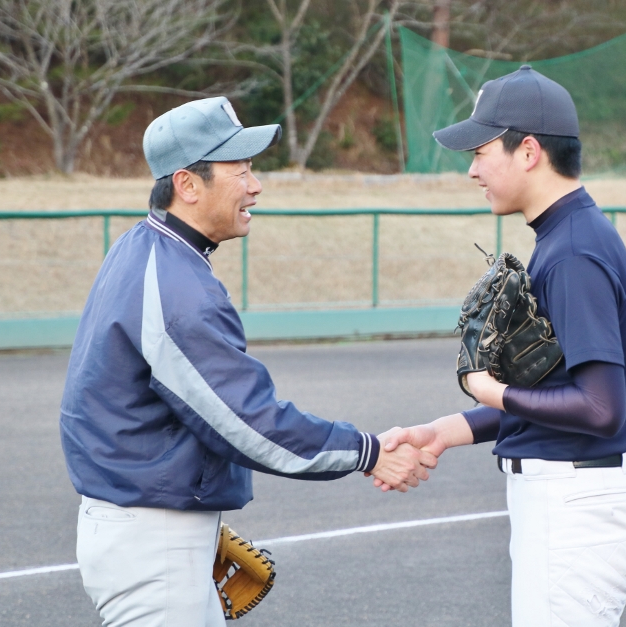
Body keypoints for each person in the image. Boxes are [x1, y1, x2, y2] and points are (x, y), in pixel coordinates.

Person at [59, 96, 435, 627]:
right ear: (187, 185)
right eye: (240, 171)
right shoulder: (176, 286)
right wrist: (368, 452)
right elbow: (246, 422)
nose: (255, 185)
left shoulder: (142, 248)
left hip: (147, 525)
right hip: (152, 541)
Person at [382, 66, 626, 626]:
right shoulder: (567, 235)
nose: (472, 170)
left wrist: (489, 389)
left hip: (575, 511)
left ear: (529, 151)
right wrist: (447, 431)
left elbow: (600, 409)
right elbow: (556, 393)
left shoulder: (573, 252)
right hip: (576, 503)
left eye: (481, 152)